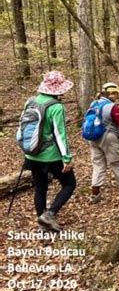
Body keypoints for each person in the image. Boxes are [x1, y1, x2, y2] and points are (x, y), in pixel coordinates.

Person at [21, 71, 76, 232]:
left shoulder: (31, 101)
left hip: (32, 153)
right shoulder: (56, 107)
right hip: (51, 156)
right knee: (70, 184)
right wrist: (67, 158)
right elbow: (60, 135)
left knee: (40, 188)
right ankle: (49, 214)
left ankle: (42, 225)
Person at [88, 82, 119, 204]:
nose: (116, 96)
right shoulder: (112, 107)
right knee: (116, 162)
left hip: (93, 137)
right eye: (115, 93)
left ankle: (95, 193)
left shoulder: (93, 104)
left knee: (98, 164)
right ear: (111, 93)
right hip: (109, 137)